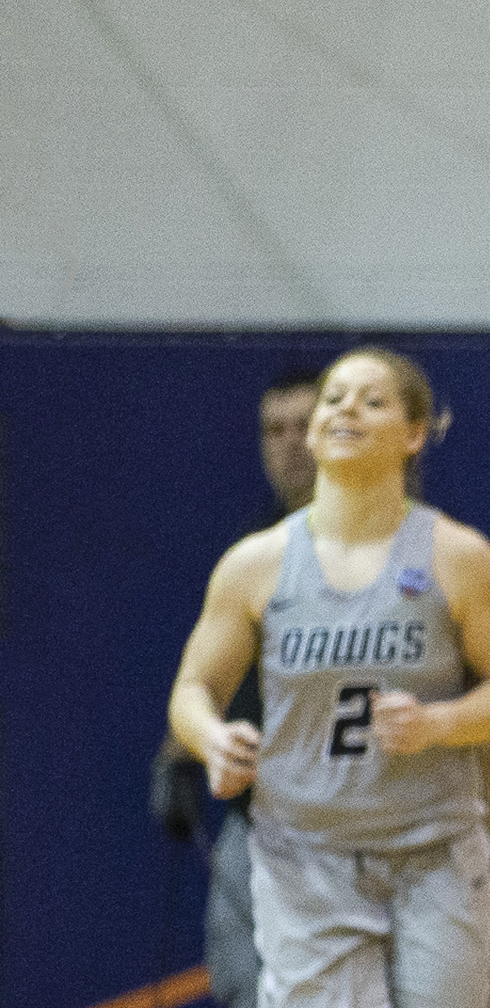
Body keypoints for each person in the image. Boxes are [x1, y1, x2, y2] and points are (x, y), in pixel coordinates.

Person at [168, 346, 490, 1008]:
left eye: (373, 401)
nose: (347, 410)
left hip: (434, 854)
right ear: (314, 432)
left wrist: (439, 723)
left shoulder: (458, 555)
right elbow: (193, 692)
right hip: (305, 853)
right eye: (334, 399)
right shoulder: (255, 564)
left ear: (414, 433)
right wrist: (212, 740)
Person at [150, 368, 320, 1008]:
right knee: (242, 982)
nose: (289, 444)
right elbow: (207, 678)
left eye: (303, 426)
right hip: (259, 814)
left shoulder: (409, 547)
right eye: (273, 430)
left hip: (364, 825)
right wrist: (178, 752)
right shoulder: (251, 552)